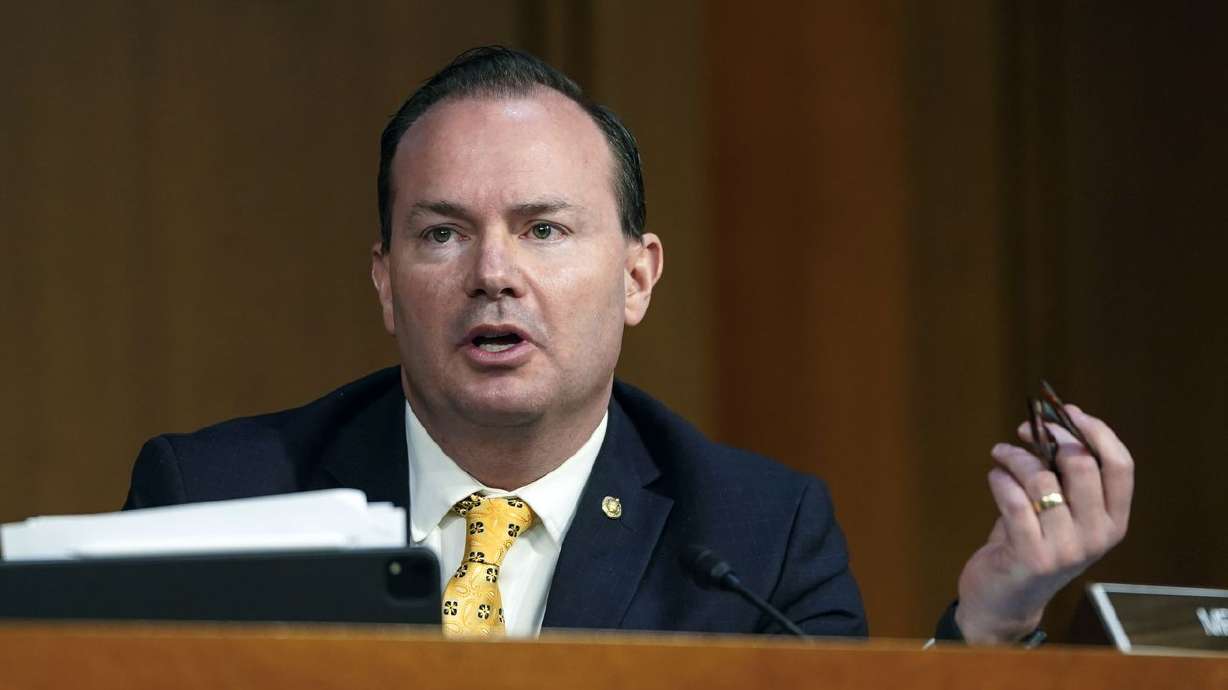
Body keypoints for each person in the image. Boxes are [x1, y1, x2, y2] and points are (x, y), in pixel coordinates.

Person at [124, 46, 1134, 642]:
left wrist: (990, 620)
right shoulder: (218, 502)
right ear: (387, 282)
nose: (492, 273)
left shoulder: (753, 536)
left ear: (639, 275)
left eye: (544, 229)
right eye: (440, 233)